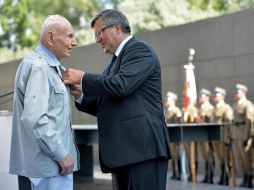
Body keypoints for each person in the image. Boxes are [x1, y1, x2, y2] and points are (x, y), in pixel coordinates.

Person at [63, 9, 171, 190]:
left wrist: (82, 78)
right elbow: (105, 102)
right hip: (124, 154)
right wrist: (80, 94)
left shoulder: (139, 50)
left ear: (117, 28)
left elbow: (121, 86)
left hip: (143, 153)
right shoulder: (114, 62)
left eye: (99, 33)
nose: (97, 39)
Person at [9, 15, 79, 190]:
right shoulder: (39, 67)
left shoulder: (46, 66)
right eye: (70, 36)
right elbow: (36, 119)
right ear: (50, 38)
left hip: (51, 164)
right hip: (53, 165)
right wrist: (62, 154)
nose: (75, 42)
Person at [232, 84, 254, 188]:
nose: (236, 94)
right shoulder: (236, 105)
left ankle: (249, 179)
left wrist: (246, 137)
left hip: (244, 136)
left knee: (247, 159)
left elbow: (249, 122)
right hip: (237, 136)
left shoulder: (247, 105)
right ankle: (245, 177)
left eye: (238, 92)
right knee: (240, 160)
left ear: (243, 93)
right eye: (235, 92)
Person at [212, 87, 233, 185]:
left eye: (217, 95)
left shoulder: (226, 108)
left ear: (222, 97)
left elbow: (229, 123)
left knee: (225, 159)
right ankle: (222, 176)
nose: (215, 97)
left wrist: (228, 138)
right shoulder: (215, 108)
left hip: (223, 138)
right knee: (220, 159)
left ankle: (226, 178)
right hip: (216, 138)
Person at [197, 88, 214, 183]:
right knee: (205, 156)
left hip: (208, 136)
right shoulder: (199, 109)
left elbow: (211, 122)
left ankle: (210, 176)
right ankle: (207, 175)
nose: (199, 97)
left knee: (209, 156)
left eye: (201, 96)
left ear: (207, 97)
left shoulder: (210, 108)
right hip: (201, 136)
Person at [164, 91, 182, 180]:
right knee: (172, 155)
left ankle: (178, 173)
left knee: (176, 154)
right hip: (169, 137)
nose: (166, 101)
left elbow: (179, 121)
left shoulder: (176, 110)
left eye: (168, 99)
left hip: (175, 136)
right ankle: (175, 172)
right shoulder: (167, 111)